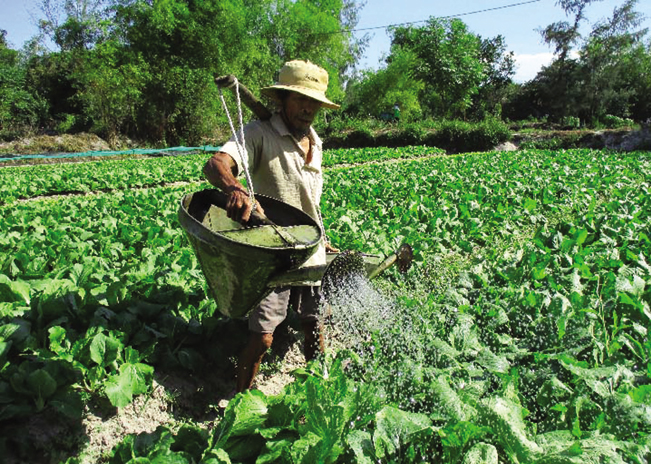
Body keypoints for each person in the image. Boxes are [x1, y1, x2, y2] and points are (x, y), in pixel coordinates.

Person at [203, 60, 340, 392]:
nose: (308, 109)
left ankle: (316, 389)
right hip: (271, 250)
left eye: (314, 103)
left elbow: (309, 199)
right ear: (282, 99)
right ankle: (240, 402)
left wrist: (324, 237)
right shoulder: (258, 133)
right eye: (300, 100)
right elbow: (216, 164)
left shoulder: (316, 142)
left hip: (309, 248)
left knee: (314, 324)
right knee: (263, 337)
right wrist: (236, 189)